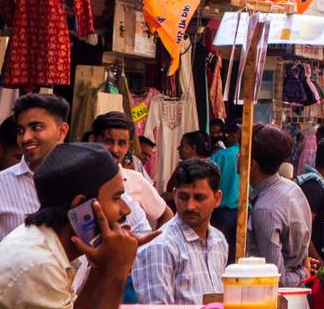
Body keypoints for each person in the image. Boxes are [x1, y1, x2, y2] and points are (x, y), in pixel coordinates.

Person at [0, 93, 149, 265]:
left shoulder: (93, 177)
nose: (26, 137)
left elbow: (141, 232)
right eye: (21, 130)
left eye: (36, 127)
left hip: (83, 290)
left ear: (62, 131)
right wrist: (22, 263)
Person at [0, 142, 149, 309]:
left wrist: (102, 267)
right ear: (82, 207)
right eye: (117, 198)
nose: (126, 210)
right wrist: (116, 271)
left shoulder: (46, 242)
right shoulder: (39, 263)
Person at [129, 157, 228, 305]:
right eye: (184, 197)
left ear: (217, 198)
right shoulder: (160, 247)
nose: (190, 206)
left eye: (199, 198)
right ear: (174, 195)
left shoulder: (219, 241)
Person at [246, 124, 311, 286]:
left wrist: (304, 272)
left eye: (241, 151)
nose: (237, 155)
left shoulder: (265, 210)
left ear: (252, 163)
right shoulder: (292, 188)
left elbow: (276, 279)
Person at [90, 111, 171, 229]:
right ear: (93, 140)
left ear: (128, 146)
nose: (115, 149)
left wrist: (153, 245)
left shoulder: (136, 180)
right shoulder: (82, 178)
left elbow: (166, 215)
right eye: (108, 141)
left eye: (121, 143)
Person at [208, 122, 241, 253]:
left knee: (219, 250)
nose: (224, 139)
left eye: (226, 135)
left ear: (234, 136)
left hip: (222, 213)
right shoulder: (249, 156)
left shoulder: (220, 156)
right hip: (244, 212)